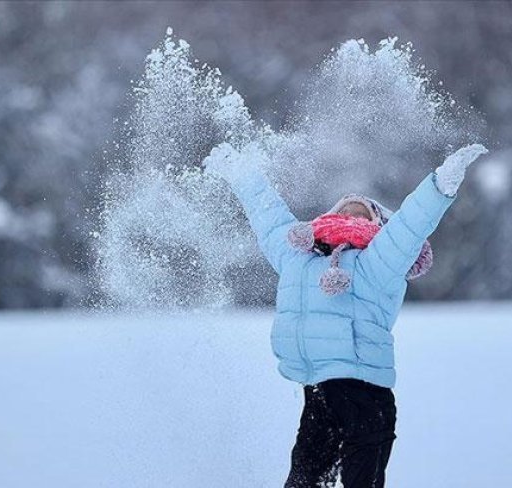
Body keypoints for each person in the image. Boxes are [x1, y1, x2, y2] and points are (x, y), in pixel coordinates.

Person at [203, 142, 487, 487]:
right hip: (320, 392)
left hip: (367, 395)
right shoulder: (300, 258)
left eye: (361, 214)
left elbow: (410, 226)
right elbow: (269, 217)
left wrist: (440, 185)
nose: (350, 219)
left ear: (379, 226)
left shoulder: (379, 261)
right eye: (344, 212)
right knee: (303, 480)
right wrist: (242, 174)